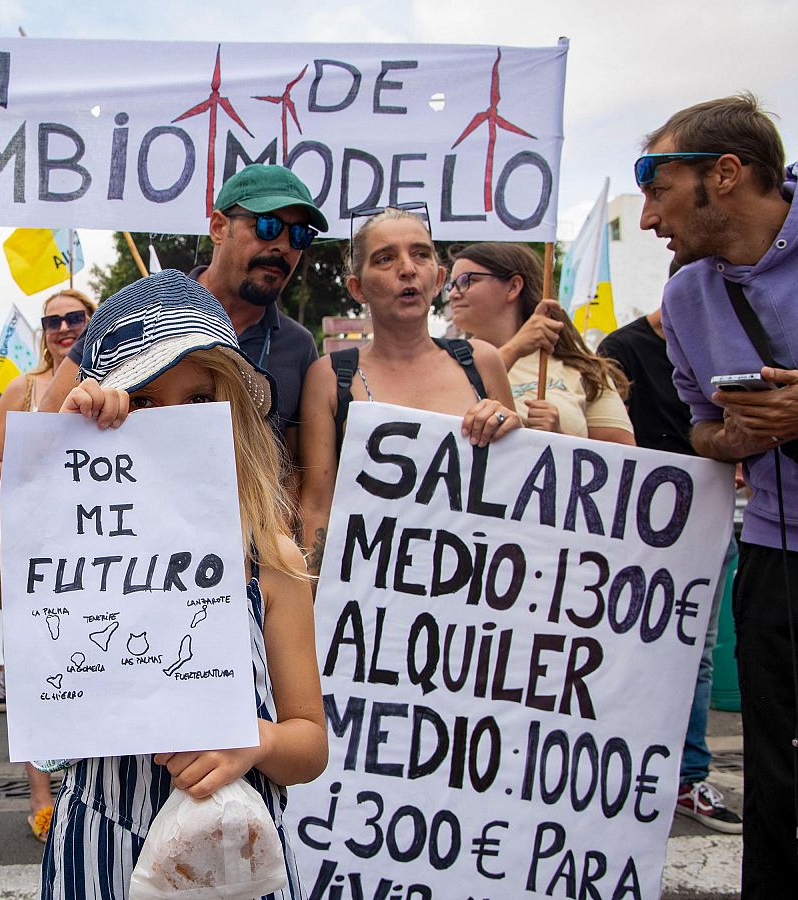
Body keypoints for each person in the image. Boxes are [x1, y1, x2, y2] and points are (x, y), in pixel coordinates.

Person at [638, 93, 798, 898]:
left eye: (656, 187)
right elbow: (701, 427)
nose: (646, 218)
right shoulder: (686, 296)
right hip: (783, 556)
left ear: (725, 176)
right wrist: (732, 439)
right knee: (783, 781)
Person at [41, 270, 326, 897]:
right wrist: (66, 451)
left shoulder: (269, 555)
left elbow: (310, 743)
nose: (171, 423)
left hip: (235, 855)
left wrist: (254, 739)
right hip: (101, 844)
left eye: (199, 401)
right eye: (142, 401)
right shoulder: (74, 551)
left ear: (232, 414)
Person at [297, 208, 522, 570]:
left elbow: (516, 484)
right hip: (369, 596)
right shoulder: (330, 377)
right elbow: (316, 506)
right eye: (385, 258)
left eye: (420, 254)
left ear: (438, 277)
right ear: (357, 287)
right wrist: (315, 606)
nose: (407, 268)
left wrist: (512, 430)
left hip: (472, 589)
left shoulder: (481, 362)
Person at [45, 164, 326, 450]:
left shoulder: (300, 346)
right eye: (268, 226)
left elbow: (297, 479)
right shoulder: (130, 311)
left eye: (300, 235)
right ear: (218, 227)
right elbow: (45, 435)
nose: (284, 246)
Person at [598, 301, 742, 833]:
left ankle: (687, 775)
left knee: (698, 658)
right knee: (628, 653)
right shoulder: (623, 349)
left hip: (708, 525)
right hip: (644, 538)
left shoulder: (727, 343)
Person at [0, 287, 95, 841]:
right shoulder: (20, 389)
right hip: (37, 553)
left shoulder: (119, 377)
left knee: (96, 664)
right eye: (53, 321)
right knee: (34, 672)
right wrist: (45, 449)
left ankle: (91, 789)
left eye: (75, 318)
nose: (64, 328)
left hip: (100, 551)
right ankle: (42, 797)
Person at [448, 242, 635, 444]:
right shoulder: (443, 360)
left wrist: (559, 438)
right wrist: (516, 348)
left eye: (468, 280)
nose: (453, 294)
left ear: (513, 287)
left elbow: (620, 458)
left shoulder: (582, 368)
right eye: (451, 285)